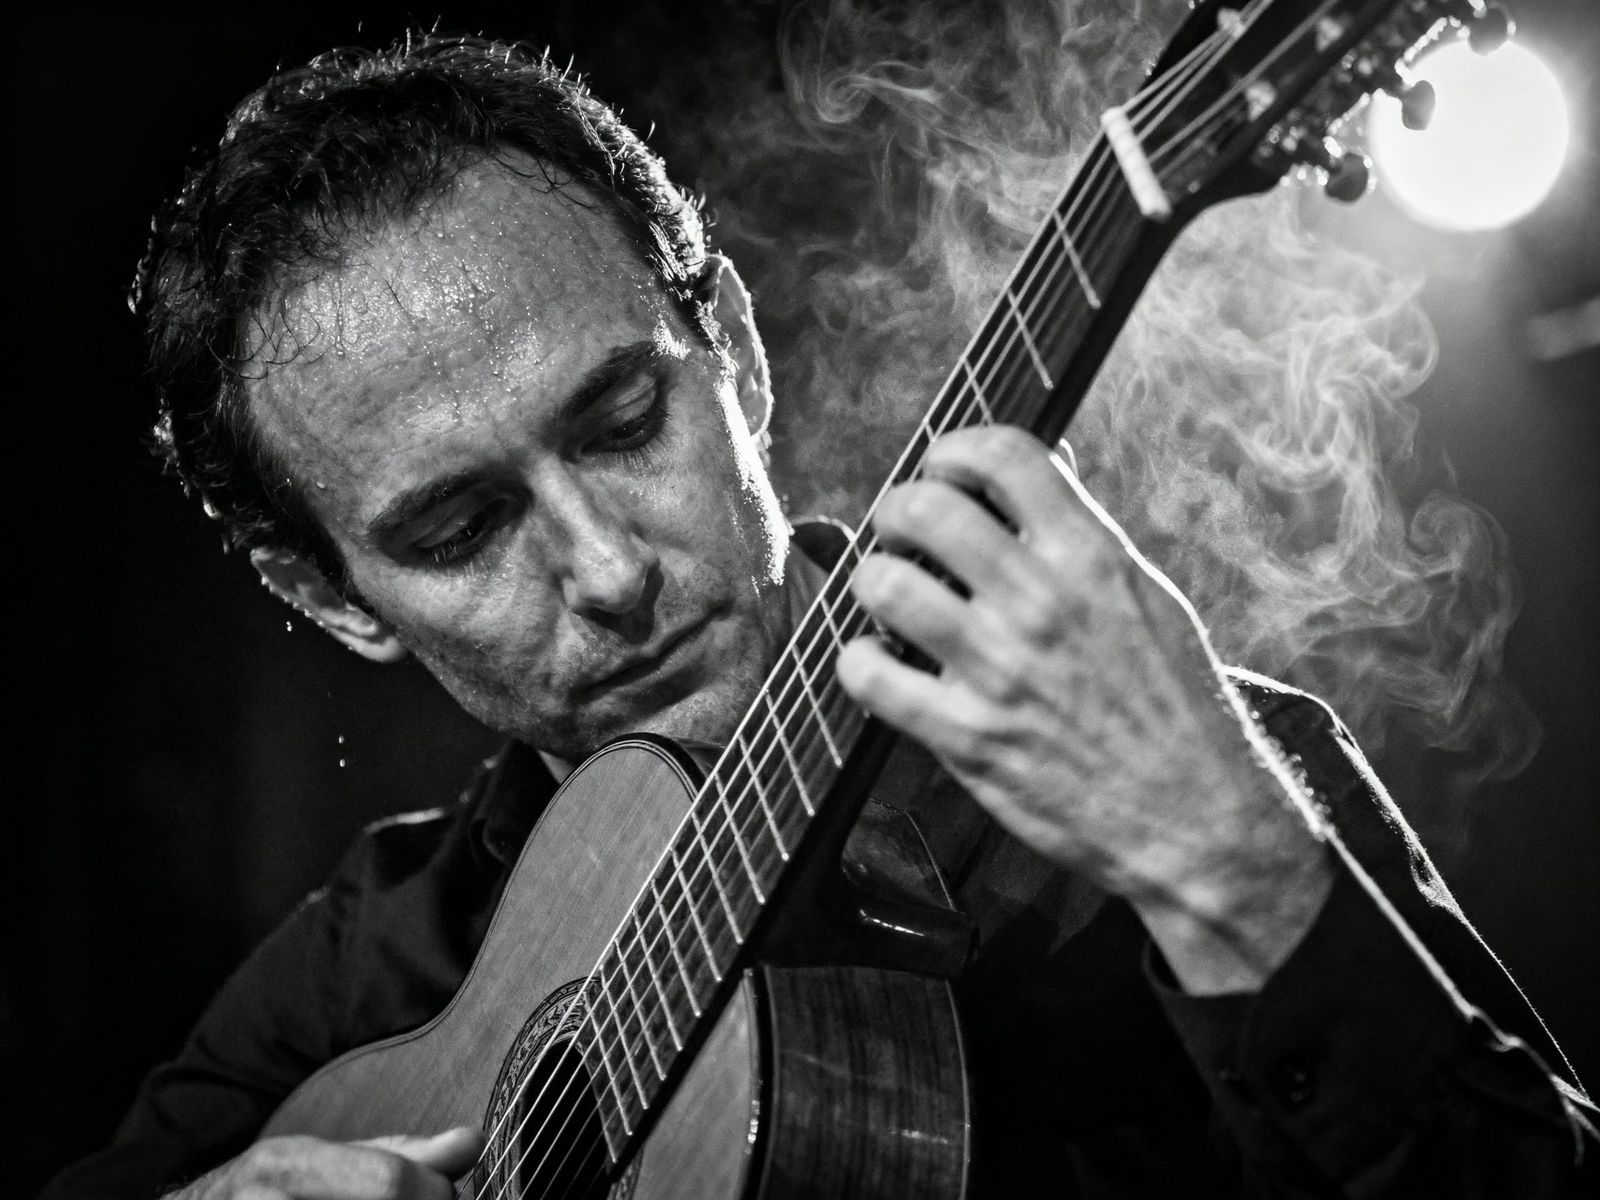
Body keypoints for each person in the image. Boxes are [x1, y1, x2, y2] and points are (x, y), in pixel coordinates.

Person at [42, 32, 1596, 1200]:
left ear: (736, 352)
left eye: (622, 421)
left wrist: (1234, 873)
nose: (605, 571)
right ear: (329, 596)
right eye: (461, 529)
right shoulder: (370, 967)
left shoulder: (1208, 781)